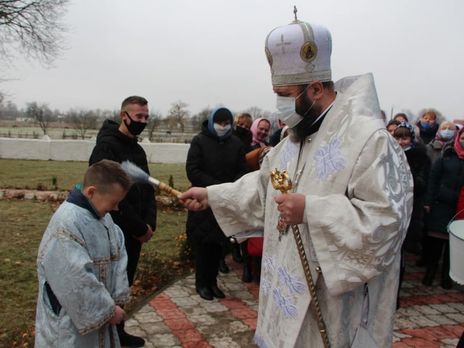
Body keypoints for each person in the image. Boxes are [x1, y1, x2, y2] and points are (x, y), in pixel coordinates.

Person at [180, 13, 413, 348]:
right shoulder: (291, 139)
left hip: (333, 310)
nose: (279, 106)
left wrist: (312, 211)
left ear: (316, 88)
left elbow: (387, 222)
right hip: (283, 292)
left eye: (284, 94)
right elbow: (263, 189)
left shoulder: (369, 140)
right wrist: (212, 196)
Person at [35, 160, 131, 348]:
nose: (116, 208)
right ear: (91, 192)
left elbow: (118, 252)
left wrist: (117, 298)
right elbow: (74, 278)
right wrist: (108, 310)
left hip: (101, 319)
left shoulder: (104, 216)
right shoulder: (66, 224)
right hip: (69, 325)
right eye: (114, 202)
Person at [89, 96, 156, 347]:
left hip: (138, 229)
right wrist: (138, 227)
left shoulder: (138, 149)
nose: (143, 121)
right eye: (139, 116)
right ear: (123, 115)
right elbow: (109, 194)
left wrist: (150, 223)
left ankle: (118, 332)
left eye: (146, 117)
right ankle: (104, 335)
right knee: (109, 282)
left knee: (123, 282)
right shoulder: (106, 147)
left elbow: (147, 187)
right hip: (115, 230)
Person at [185, 107, 248, 300]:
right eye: (220, 123)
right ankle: (202, 283)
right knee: (204, 246)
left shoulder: (235, 143)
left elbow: (242, 170)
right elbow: (192, 170)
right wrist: (215, 188)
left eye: (226, 123)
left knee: (218, 247)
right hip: (203, 201)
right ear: (212, 122)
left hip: (224, 203)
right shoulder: (199, 141)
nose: (223, 127)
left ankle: (213, 282)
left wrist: (229, 189)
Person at [392, 123, 430, 307]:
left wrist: (406, 176)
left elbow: (422, 183)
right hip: (390, 209)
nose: (400, 142)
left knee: (400, 258)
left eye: (404, 138)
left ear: (411, 139)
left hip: (409, 209)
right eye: (397, 138)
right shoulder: (387, 154)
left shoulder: (419, 157)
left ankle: (395, 296)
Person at [422, 127, 464, 289]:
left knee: (453, 246)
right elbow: (433, 179)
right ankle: (429, 275)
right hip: (440, 205)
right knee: (436, 243)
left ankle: (447, 278)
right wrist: (429, 201)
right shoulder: (447, 155)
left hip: (459, 208)